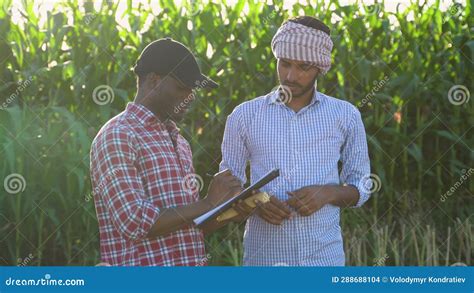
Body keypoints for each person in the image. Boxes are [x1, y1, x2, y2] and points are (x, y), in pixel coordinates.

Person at [220, 16, 372, 266]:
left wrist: (329, 193)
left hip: (324, 261)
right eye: (285, 63)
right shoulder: (244, 116)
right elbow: (227, 187)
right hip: (265, 263)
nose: (290, 75)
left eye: (303, 67)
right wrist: (255, 203)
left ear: (320, 68)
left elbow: (363, 184)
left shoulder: (345, 115)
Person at [90, 38, 252, 266]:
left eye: (193, 90)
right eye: (183, 88)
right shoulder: (118, 135)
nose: (191, 96)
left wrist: (230, 209)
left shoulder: (179, 142)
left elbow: (189, 226)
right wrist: (208, 203)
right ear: (154, 81)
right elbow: (133, 222)